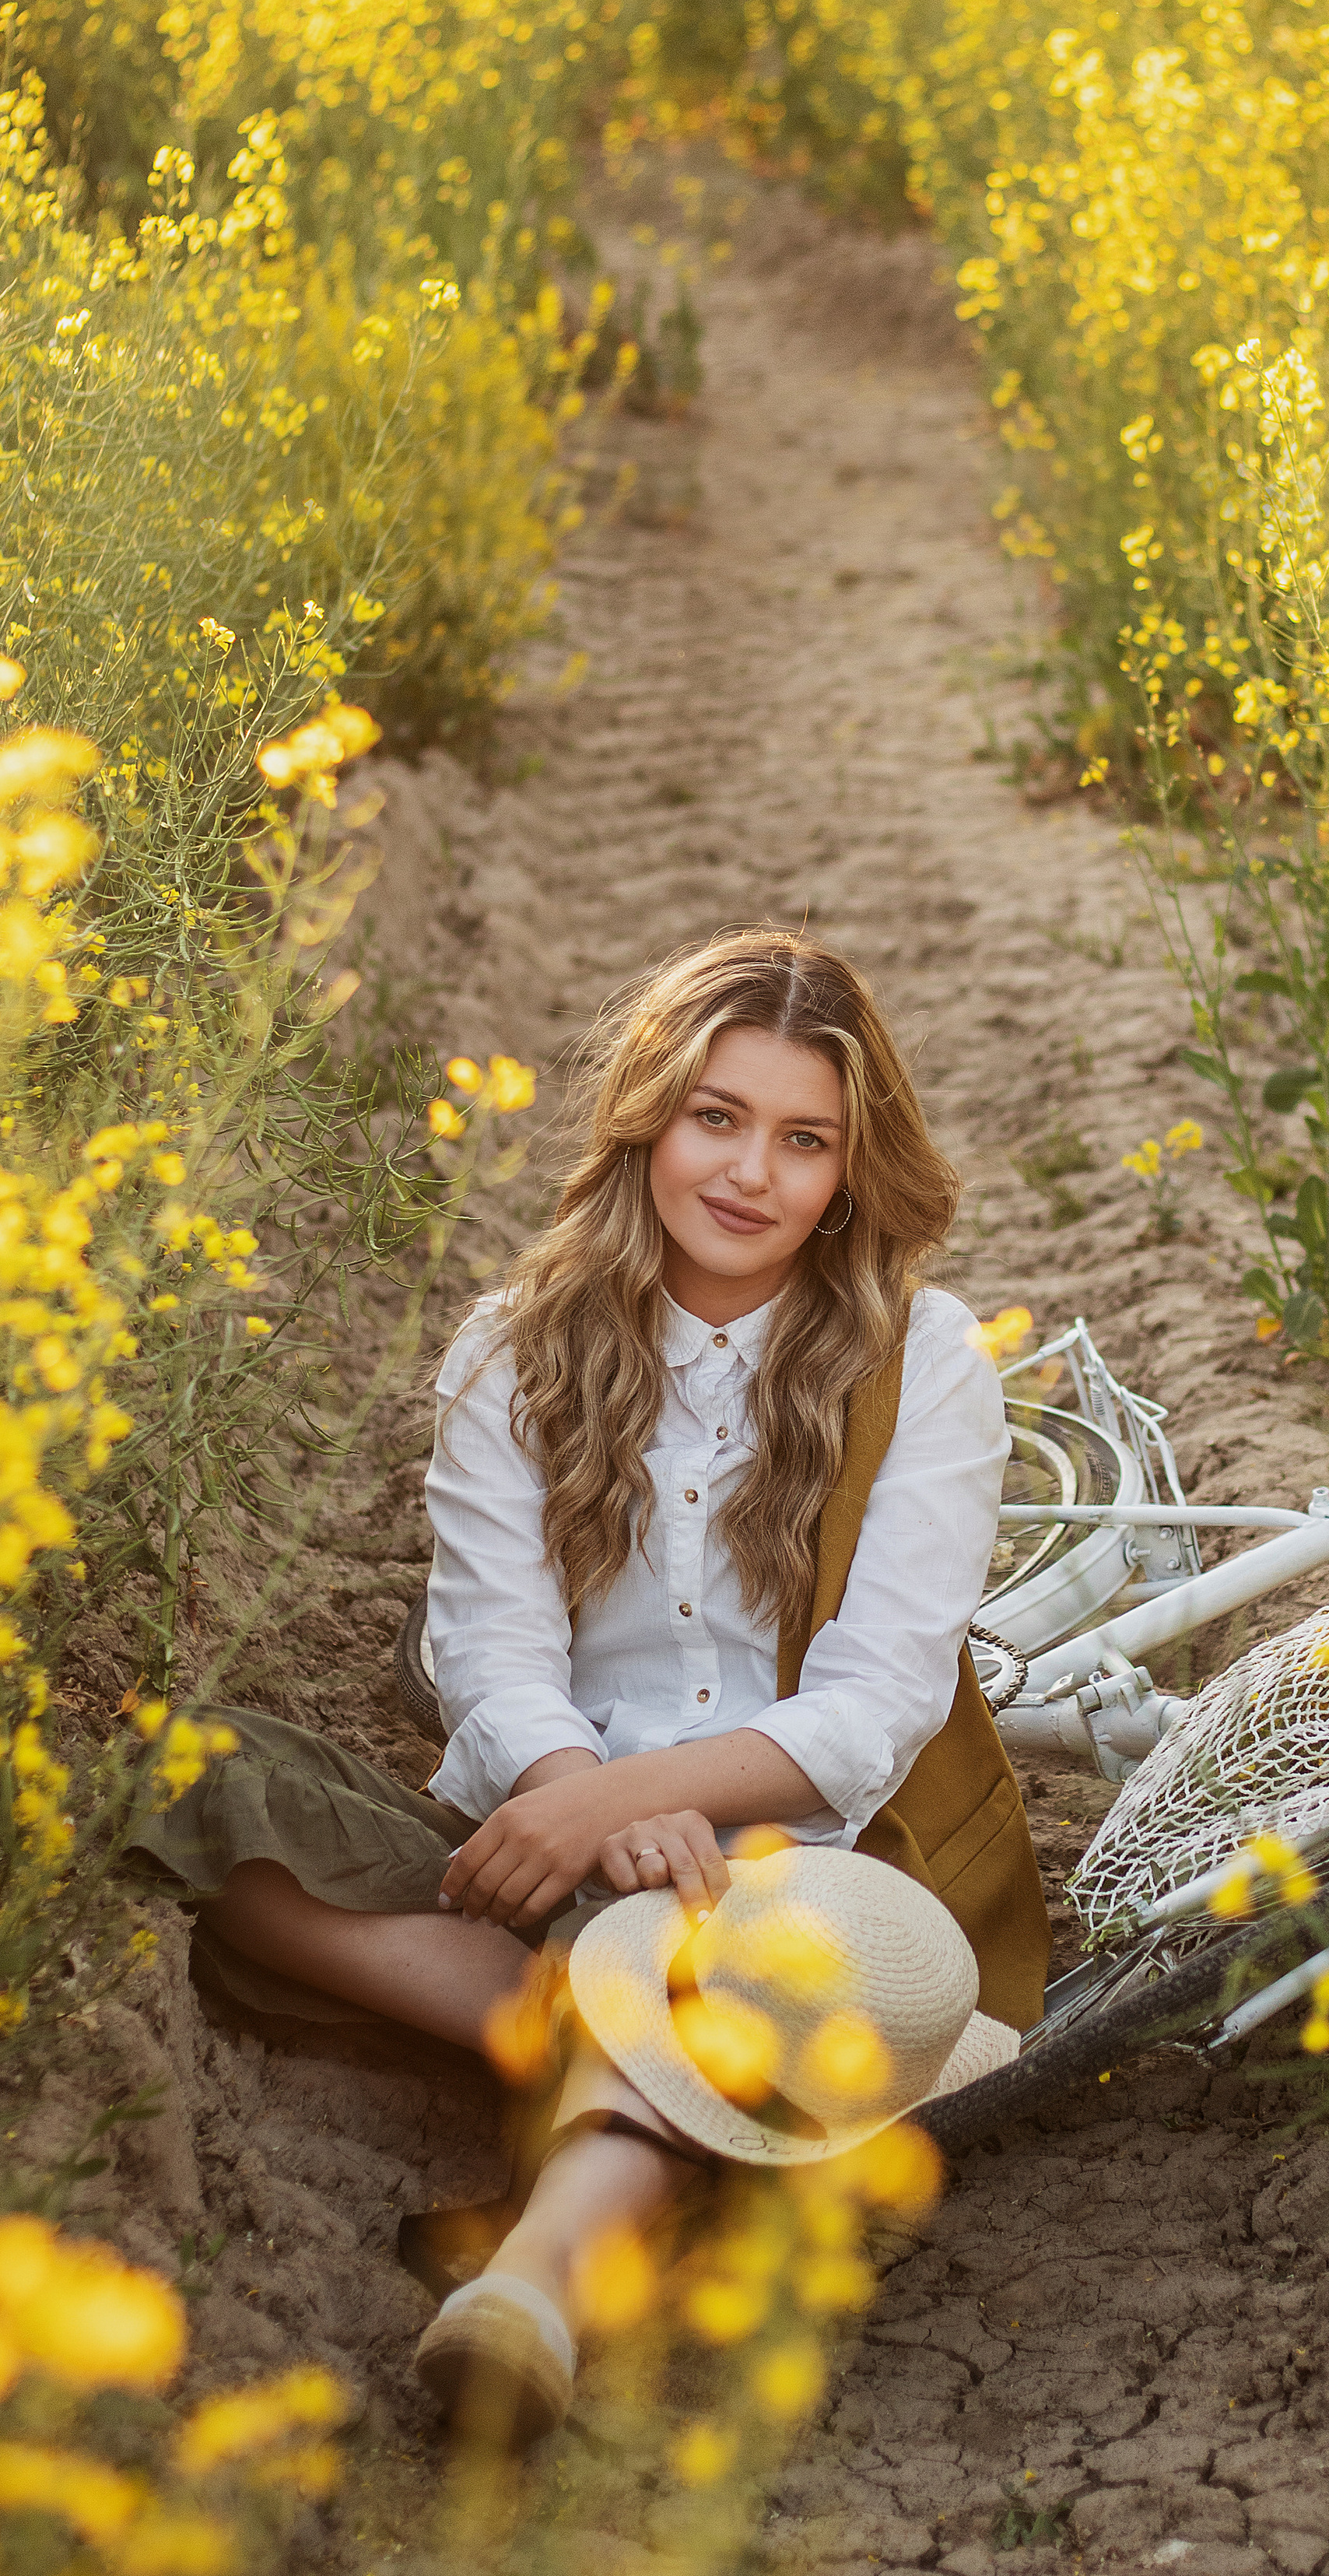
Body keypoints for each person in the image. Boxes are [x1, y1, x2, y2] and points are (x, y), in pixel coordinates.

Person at [136, 926, 1051, 2443]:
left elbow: (875, 1703)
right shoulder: (515, 1345)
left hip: (813, 1865)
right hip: (551, 1823)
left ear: (847, 1166)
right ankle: (652, 2060)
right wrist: (575, 1803)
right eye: (717, 1118)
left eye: (802, 1139)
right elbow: (487, 1653)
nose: (751, 1172)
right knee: (190, 1775)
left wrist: (639, 1807)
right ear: (646, 1120)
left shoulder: (923, 1359)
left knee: (783, 1958)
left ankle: (533, 2291)